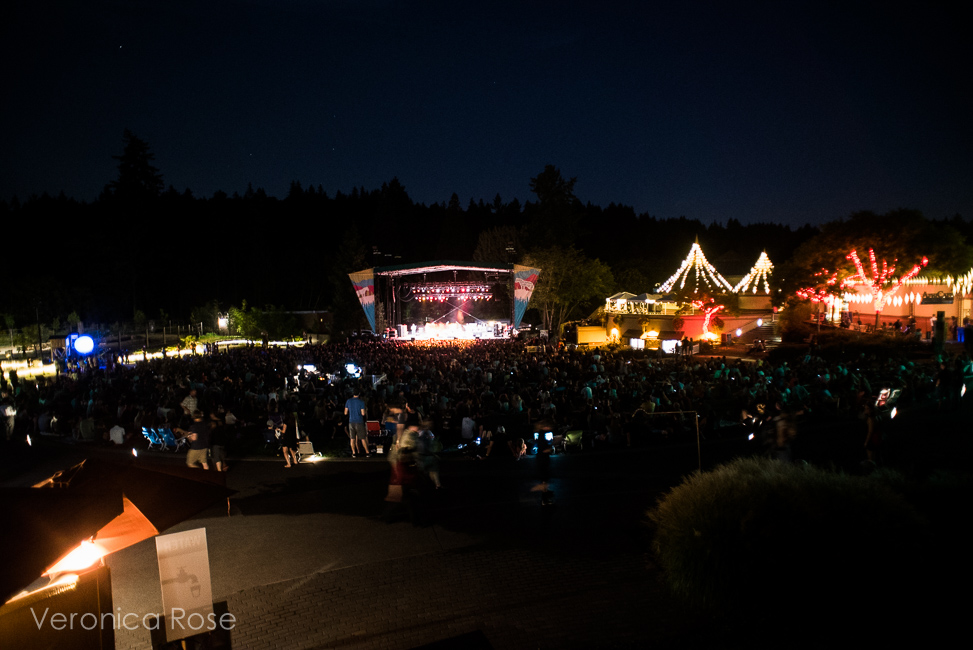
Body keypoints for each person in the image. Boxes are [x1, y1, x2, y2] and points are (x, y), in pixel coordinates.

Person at [344, 388, 369, 458]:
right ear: (359, 394)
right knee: (362, 438)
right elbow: (363, 413)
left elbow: (345, 412)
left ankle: (354, 453)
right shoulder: (361, 402)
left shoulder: (348, 401)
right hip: (359, 421)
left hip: (351, 421)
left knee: (352, 438)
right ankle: (367, 452)